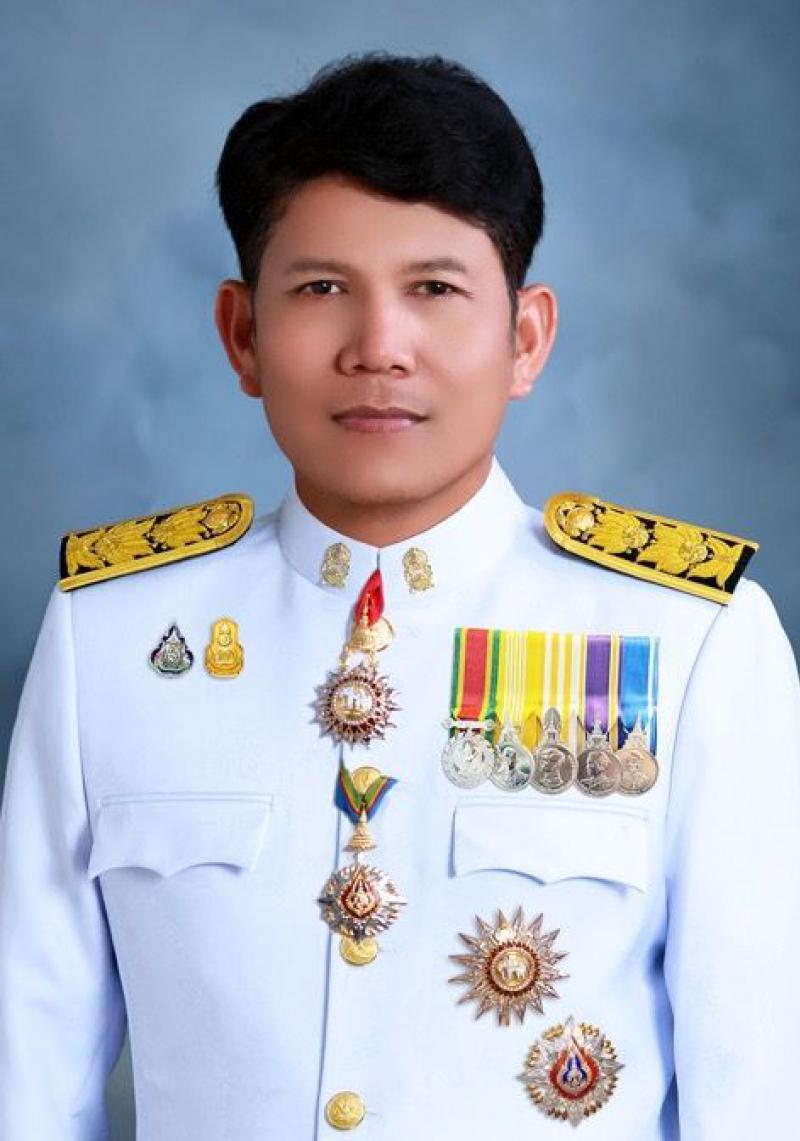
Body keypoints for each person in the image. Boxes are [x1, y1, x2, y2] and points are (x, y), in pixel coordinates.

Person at [0, 50, 797, 1141]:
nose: (379, 348)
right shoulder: (112, 637)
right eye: (322, 289)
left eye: (434, 289)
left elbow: (757, 1094)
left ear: (525, 338)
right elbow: (25, 1078)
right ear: (242, 334)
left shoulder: (690, 639)